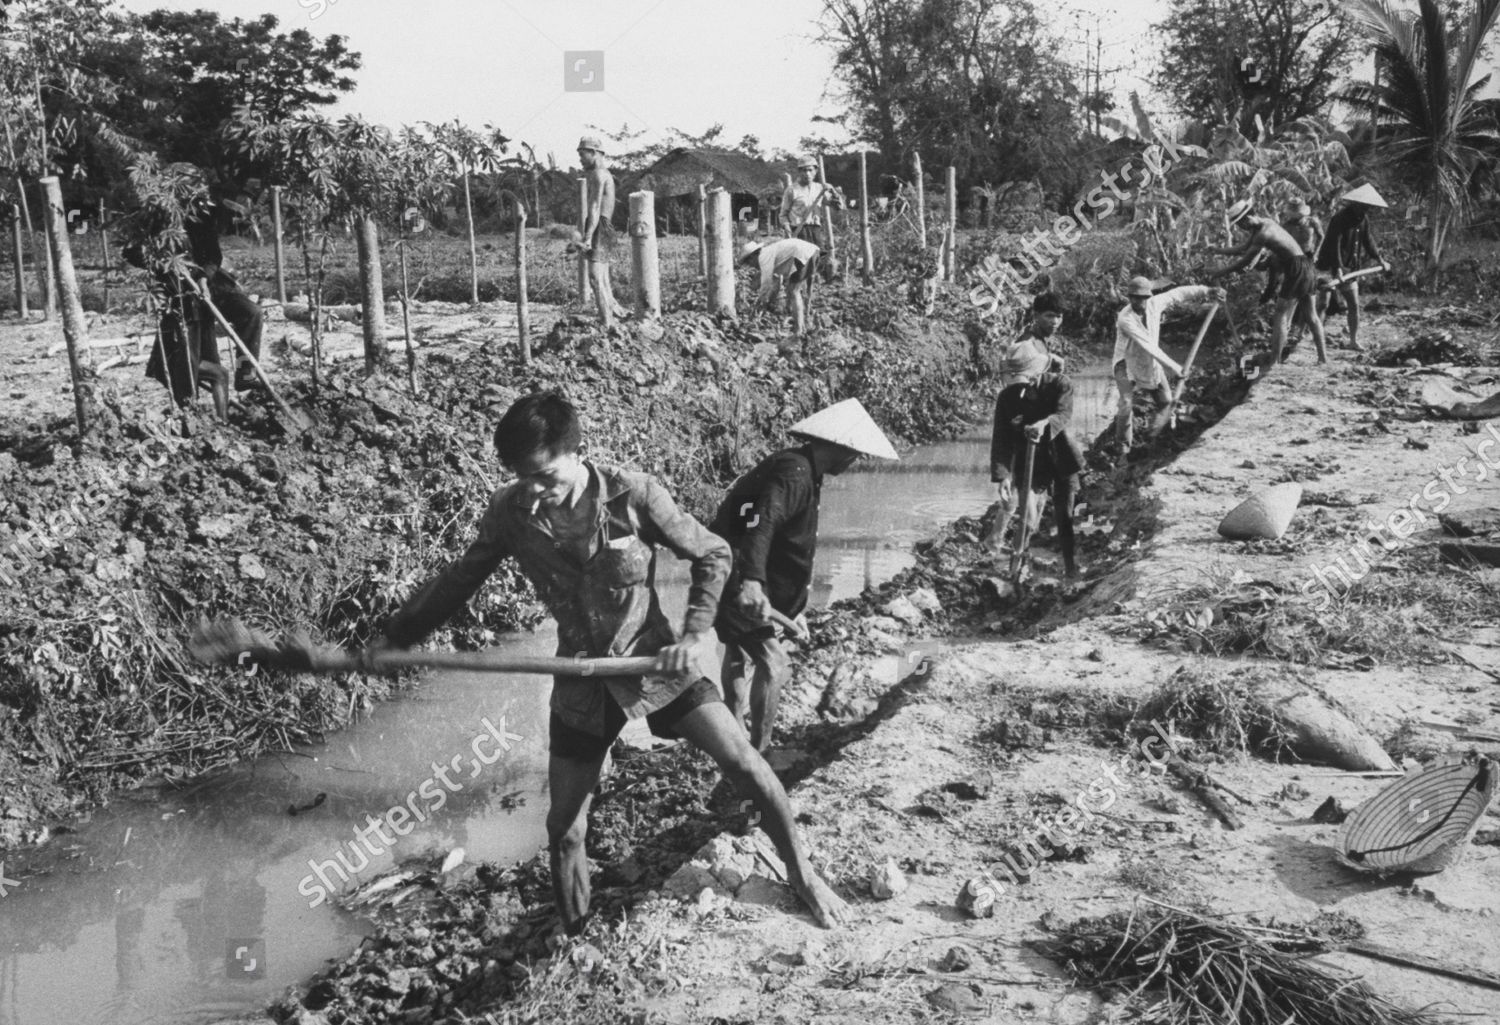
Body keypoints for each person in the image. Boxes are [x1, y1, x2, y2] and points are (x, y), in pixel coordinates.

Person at [374, 392, 849, 934]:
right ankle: (574, 935)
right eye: (520, 477)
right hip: (580, 676)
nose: (533, 492)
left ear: (578, 454)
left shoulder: (634, 495)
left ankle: (803, 873)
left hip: (656, 661)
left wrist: (695, 634)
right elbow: (459, 581)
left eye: (544, 476)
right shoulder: (510, 514)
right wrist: (397, 637)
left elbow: (714, 552)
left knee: (743, 762)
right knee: (565, 828)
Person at [710, 399, 899, 751]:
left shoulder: (803, 471)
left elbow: (780, 535)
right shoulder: (793, 474)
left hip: (734, 568)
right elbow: (760, 523)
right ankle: (759, 749)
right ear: (841, 450)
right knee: (774, 661)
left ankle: (734, 737)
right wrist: (750, 581)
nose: (853, 462)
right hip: (736, 573)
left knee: (737, 651)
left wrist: (794, 607)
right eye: (854, 455)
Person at [986, 347, 1086, 579]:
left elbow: (1063, 414)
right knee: (1027, 515)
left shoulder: (1060, 384)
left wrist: (1043, 424)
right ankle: (1019, 561)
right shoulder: (1007, 396)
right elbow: (1001, 438)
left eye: (1028, 378)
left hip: (1060, 455)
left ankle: (1070, 567)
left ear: (1039, 372)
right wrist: (1003, 476)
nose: (1023, 383)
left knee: (1065, 515)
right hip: (1028, 459)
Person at [1204, 199, 1327, 366]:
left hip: (1296, 268)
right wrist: (1218, 250)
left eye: (1241, 225)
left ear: (1248, 218)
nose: (1243, 228)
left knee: (1280, 314)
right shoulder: (1265, 224)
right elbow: (1243, 248)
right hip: (1306, 266)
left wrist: (1219, 272)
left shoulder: (1264, 233)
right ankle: (1322, 358)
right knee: (1311, 315)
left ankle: (1275, 362)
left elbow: (1245, 260)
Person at [1112, 276, 1225, 456]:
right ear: (1129, 297)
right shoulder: (1125, 319)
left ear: (1149, 296)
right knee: (1126, 405)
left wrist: (1208, 290)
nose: (1139, 301)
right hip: (1125, 364)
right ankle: (1122, 448)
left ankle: (1160, 439)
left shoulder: (1154, 304)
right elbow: (1148, 345)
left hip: (1151, 364)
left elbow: (1179, 293)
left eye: (1143, 297)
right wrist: (1175, 366)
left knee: (1166, 402)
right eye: (1135, 297)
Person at [1315, 184, 1391, 352]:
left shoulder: (1363, 219)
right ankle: (1316, 339)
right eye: (1365, 206)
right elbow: (1334, 244)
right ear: (1356, 203)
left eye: (1369, 206)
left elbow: (1368, 241)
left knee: (1354, 305)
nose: (1367, 209)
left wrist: (1379, 259)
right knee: (1323, 305)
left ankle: (1353, 341)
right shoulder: (1340, 218)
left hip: (1350, 268)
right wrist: (1338, 268)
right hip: (1330, 266)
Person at [577, 136, 627, 329]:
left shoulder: (598, 175)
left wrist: (588, 236)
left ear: (595, 153)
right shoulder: (602, 174)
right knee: (603, 278)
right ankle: (611, 316)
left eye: (583, 155)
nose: (580, 159)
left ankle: (607, 322)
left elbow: (596, 206)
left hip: (600, 226)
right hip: (604, 226)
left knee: (595, 277)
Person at [739, 237, 820, 337]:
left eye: (749, 263)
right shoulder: (770, 252)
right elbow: (777, 281)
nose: (752, 266)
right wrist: (767, 301)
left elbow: (766, 282)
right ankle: (802, 327)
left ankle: (799, 331)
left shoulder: (763, 257)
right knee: (792, 290)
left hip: (803, 253)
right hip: (810, 251)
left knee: (793, 291)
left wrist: (760, 302)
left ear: (752, 256)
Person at [780, 155, 835, 279]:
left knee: (816, 263)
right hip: (799, 231)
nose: (807, 173)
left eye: (810, 170)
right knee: (799, 267)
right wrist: (787, 228)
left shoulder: (820, 188)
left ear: (815, 171)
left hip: (815, 231)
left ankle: (810, 292)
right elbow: (783, 214)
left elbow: (837, 205)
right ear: (799, 172)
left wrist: (832, 191)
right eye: (804, 170)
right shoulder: (791, 190)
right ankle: (794, 290)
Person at [998, 292, 1065, 389]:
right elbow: (1017, 385)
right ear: (1036, 316)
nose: (1055, 322)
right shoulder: (1027, 343)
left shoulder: (1040, 340)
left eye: (1059, 316)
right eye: (1049, 316)